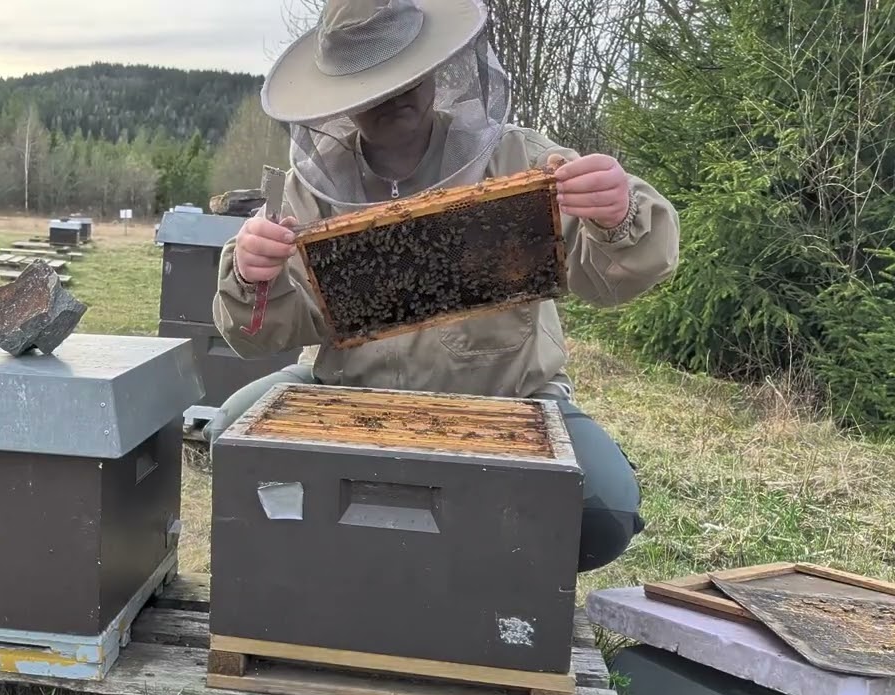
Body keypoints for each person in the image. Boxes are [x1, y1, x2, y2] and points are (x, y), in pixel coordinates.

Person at [205, 0, 681, 573]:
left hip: (508, 399)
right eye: (371, 83)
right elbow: (262, 335)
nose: (393, 95)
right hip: (356, 399)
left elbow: (611, 279)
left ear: (437, 69)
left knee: (602, 511)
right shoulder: (308, 192)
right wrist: (253, 276)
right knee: (231, 438)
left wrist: (616, 213)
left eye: (404, 75)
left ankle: (483, 581)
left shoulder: (520, 159)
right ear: (338, 98)